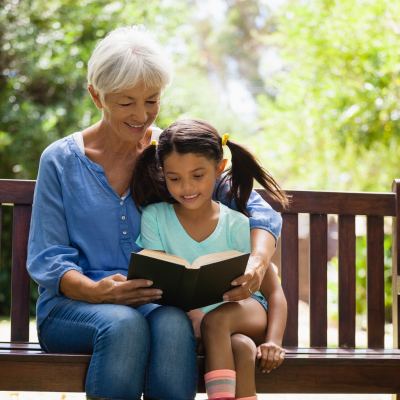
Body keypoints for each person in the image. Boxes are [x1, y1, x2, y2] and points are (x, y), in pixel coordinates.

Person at [27, 26, 283, 400]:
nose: (141, 115)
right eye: (126, 102)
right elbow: (48, 257)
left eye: (152, 100)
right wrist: (94, 291)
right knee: (124, 325)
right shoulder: (61, 161)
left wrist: (257, 263)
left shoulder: (171, 154)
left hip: (153, 305)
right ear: (96, 95)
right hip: (74, 307)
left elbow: (257, 210)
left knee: (174, 324)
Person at [131, 119, 288, 400]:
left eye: (198, 175)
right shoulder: (155, 217)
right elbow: (162, 279)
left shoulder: (238, 224)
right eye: (174, 178)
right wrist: (194, 317)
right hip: (203, 323)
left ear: (219, 169)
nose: (186, 187)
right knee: (240, 346)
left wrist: (274, 341)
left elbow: (273, 290)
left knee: (215, 323)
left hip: (247, 311)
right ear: (162, 173)